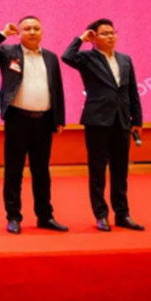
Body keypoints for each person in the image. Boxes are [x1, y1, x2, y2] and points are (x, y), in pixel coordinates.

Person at [0, 17, 68, 234]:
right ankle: (13, 216)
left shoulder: (50, 57)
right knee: (14, 171)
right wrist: (2, 34)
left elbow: (57, 89)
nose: (32, 32)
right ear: (19, 33)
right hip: (17, 120)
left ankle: (45, 216)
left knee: (42, 172)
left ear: (42, 32)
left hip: (44, 121)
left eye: (36, 28)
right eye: (27, 29)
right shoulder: (9, 53)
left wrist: (59, 119)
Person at [62, 18, 144, 232]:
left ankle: (122, 214)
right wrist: (81, 38)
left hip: (122, 120)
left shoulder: (125, 59)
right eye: (105, 33)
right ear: (94, 37)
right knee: (98, 170)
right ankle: (101, 214)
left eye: (112, 33)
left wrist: (137, 120)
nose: (110, 36)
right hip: (97, 120)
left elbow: (132, 91)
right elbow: (67, 56)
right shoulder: (87, 58)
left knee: (120, 171)